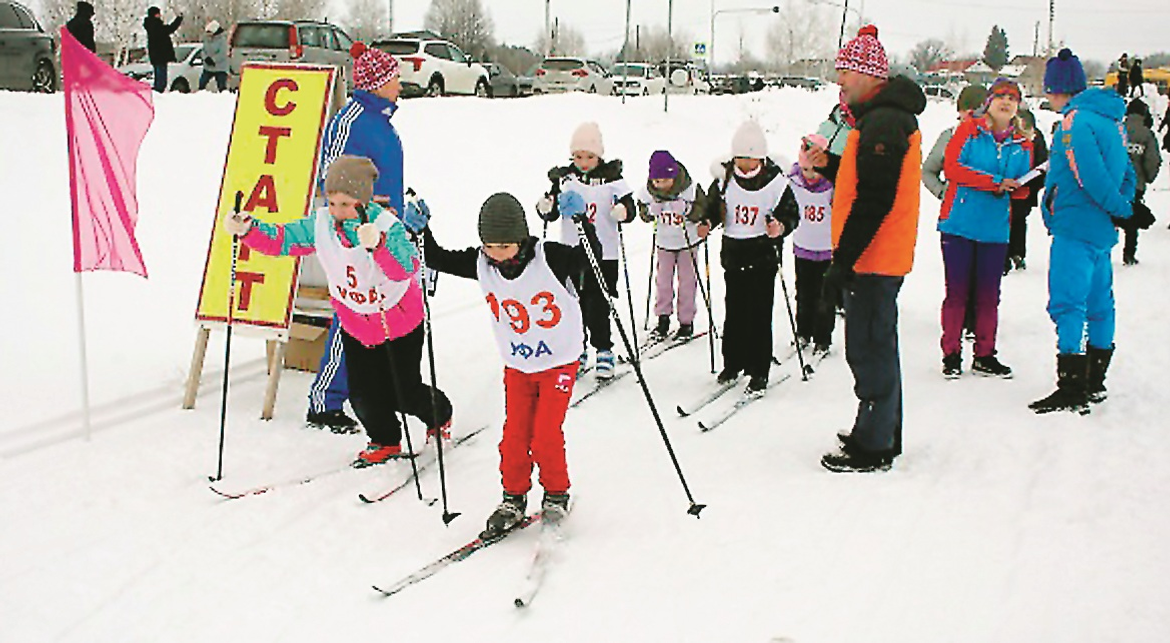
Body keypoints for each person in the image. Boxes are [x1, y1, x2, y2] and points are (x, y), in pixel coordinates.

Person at [223, 156, 453, 466]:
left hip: (398, 323)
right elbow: (283, 239)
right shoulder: (321, 225)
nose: (337, 212)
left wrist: (379, 245)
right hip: (357, 324)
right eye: (332, 203)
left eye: (346, 204)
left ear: (363, 200)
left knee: (403, 392)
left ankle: (439, 414)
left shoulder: (385, 225)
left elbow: (406, 267)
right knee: (362, 395)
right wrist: (248, 230)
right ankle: (385, 439)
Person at [419, 192, 600, 538]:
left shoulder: (551, 258)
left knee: (545, 434)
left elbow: (590, 261)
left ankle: (556, 491)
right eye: (489, 246)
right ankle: (513, 498)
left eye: (505, 246)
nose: (497, 255)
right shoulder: (482, 263)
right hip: (518, 366)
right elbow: (436, 257)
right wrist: (422, 230)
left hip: (559, 362)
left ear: (521, 238)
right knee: (514, 437)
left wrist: (582, 223)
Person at [809, 25, 926, 473]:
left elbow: (875, 199)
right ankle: (880, 430)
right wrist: (834, 165)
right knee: (876, 341)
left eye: (845, 73)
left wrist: (842, 263)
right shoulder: (881, 118)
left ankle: (873, 445)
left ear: (868, 74)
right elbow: (872, 180)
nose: (839, 82)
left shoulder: (884, 121)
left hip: (875, 258)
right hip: (877, 254)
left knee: (869, 345)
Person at [305, 42, 406, 433]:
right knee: (353, 315)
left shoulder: (381, 121)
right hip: (356, 234)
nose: (400, 84)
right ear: (378, 82)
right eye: (394, 77)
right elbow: (330, 182)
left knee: (387, 311)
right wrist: (368, 212)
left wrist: (402, 208)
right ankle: (325, 402)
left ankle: (381, 390)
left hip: (384, 232)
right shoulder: (351, 121)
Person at [1030, 48, 1136, 415]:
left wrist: (1122, 209)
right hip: (1101, 230)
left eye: (1048, 89)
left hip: (1076, 225)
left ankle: (1072, 384)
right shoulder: (1112, 121)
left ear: (1060, 88)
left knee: (1068, 303)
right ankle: (1096, 379)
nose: (1046, 97)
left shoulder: (1075, 122)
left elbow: (1087, 175)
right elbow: (1127, 173)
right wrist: (1126, 208)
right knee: (1099, 304)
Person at [937, 78, 1033, 379]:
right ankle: (951, 354)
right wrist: (993, 182)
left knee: (989, 296)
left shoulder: (1023, 144)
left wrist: (1019, 187)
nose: (1007, 101)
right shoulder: (969, 130)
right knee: (957, 293)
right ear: (989, 101)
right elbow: (952, 168)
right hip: (959, 223)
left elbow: (1021, 189)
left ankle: (985, 355)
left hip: (995, 229)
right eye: (1001, 96)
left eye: (1013, 98)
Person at [704, 120, 798, 396]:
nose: (744, 166)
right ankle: (733, 363)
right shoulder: (724, 180)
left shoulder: (776, 182)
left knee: (758, 313)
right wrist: (708, 221)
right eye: (740, 159)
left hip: (763, 254)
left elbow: (792, 213)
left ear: (761, 157)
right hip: (733, 252)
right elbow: (712, 207)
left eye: (750, 159)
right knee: (734, 312)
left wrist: (779, 227)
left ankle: (759, 370)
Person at [536, 122, 636, 380]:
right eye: (578, 156)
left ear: (599, 155)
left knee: (597, 303)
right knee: (571, 303)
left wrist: (622, 212)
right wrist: (546, 207)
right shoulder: (565, 179)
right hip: (570, 251)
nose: (583, 162)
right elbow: (552, 209)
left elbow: (630, 208)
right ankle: (575, 349)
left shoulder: (613, 179)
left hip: (603, 252)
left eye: (589, 157)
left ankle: (603, 349)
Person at [922, 84, 988, 338]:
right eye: (968, 112)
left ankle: (978, 322)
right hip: (956, 215)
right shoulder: (950, 136)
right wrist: (942, 192)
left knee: (983, 276)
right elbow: (927, 170)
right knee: (958, 276)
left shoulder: (996, 139)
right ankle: (957, 323)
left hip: (988, 216)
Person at [635, 150, 708, 341]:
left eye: (665, 180)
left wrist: (688, 210)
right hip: (664, 243)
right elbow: (641, 211)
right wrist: (650, 212)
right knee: (663, 282)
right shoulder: (648, 191)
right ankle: (663, 318)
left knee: (687, 282)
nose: (660, 185)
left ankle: (686, 322)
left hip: (687, 243)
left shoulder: (690, 189)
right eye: (656, 181)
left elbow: (703, 209)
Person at [789, 134, 837, 356]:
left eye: (815, 171)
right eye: (806, 170)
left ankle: (823, 337)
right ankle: (803, 331)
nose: (810, 176)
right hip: (803, 246)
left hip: (827, 249)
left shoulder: (832, 186)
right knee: (803, 292)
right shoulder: (793, 182)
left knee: (824, 295)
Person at [1006, 108, 1048, 273]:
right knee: (1019, 221)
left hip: (1016, 188)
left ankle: (1009, 255)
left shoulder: (1011, 136)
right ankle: (1017, 253)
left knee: (1008, 221)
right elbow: (1042, 163)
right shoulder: (1035, 137)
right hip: (1026, 188)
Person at [1120, 98, 1161, 265]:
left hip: (1114, 183)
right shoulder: (1146, 134)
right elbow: (1152, 160)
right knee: (1132, 220)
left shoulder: (1118, 129)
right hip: (1136, 184)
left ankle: (1103, 250)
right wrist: (1148, 177)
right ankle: (1129, 254)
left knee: (1108, 216)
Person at [143, 7, 183, 93]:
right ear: (155, 14)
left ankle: (157, 93)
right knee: (161, 81)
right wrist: (179, 19)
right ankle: (158, 95)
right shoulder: (156, 26)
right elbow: (170, 29)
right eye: (158, 13)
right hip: (161, 55)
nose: (160, 15)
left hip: (155, 55)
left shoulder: (150, 25)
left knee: (158, 77)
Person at [199, 20, 228, 92]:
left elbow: (222, 53)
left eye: (210, 32)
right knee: (202, 83)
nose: (208, 34)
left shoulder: (222, 40)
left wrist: (213, 60)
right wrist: (205, 58)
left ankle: (223, 97)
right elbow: (203, 50)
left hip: (220, 67)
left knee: (221, 86)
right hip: (208, 67)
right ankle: (200, 96)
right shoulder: (206, 39)